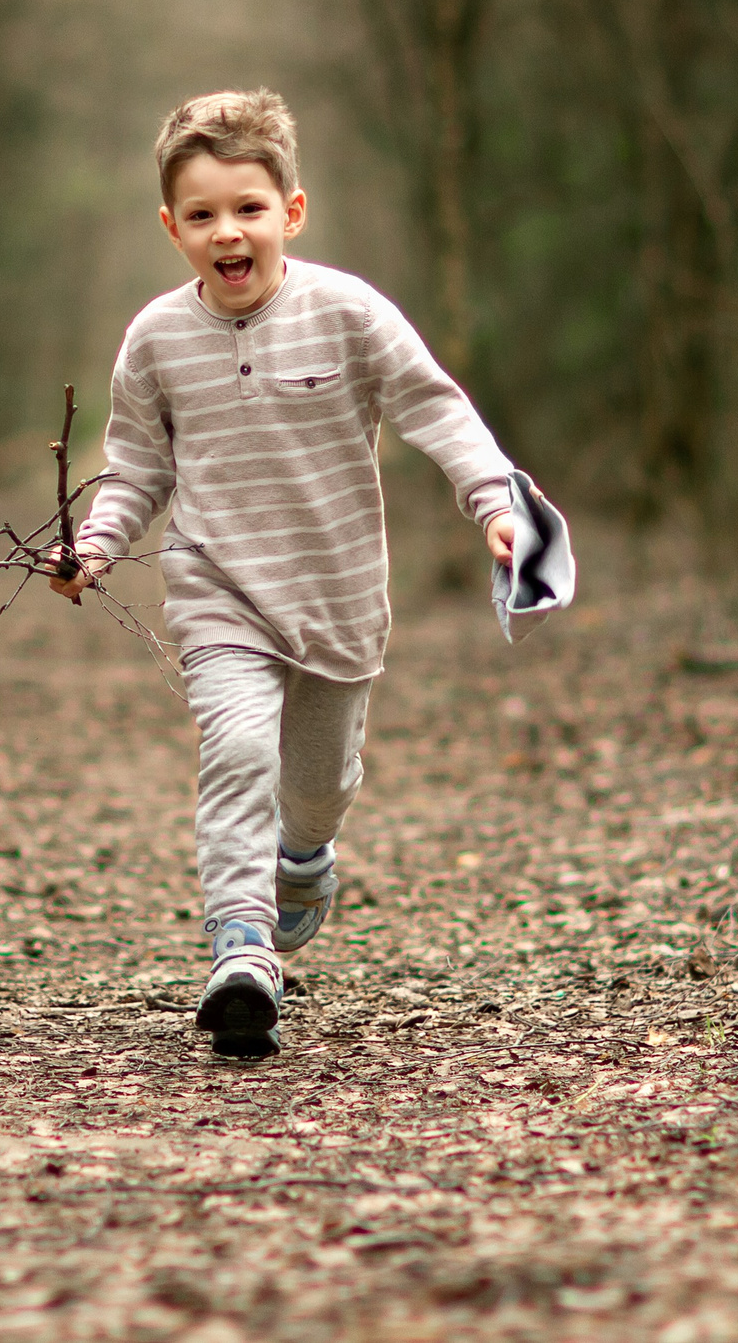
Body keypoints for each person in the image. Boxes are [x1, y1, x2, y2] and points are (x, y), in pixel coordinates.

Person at [52, 88, 528, 1058]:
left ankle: (303, 857)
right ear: (171, 228)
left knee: (317, 787)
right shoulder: (153, 340)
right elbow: (136, 466)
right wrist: (95, 546)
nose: (227, 230)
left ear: (291, 213)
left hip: (338, 598)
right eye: (201, 215)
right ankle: (241, 946)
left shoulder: (348, 313)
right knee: (235, 750)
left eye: (248, 208)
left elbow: (437, 408)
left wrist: (495, 502)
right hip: (218, 589)